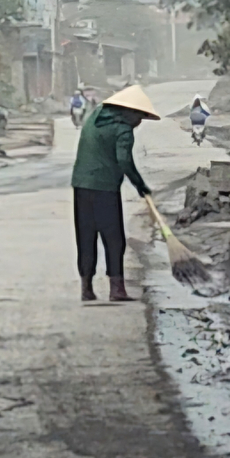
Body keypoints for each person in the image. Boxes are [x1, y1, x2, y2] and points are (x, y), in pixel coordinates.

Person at [70, 83, 158, 303]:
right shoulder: (123, 129)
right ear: (130, 111)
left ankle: (86, 288)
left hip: (81, 185)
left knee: (86, 236)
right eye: (140, 117)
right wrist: (140, 185)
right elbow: (124, 161)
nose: (139, 123)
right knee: (114, 238)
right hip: (105, 189)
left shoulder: (95, 115)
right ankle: (116, 288)